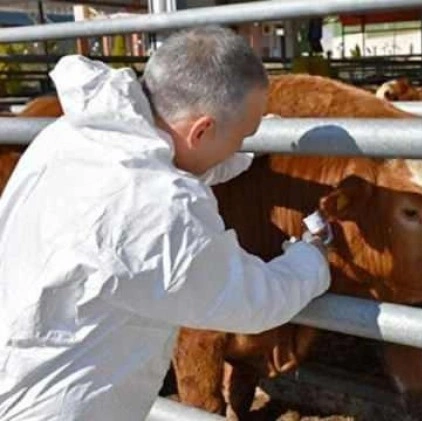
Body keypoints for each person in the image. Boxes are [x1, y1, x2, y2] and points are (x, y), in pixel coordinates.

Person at [0, 26, 331, 420]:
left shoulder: (72, 136)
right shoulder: (160, 208)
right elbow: (252, 300)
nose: (242, 145)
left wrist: (237, 156)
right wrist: (311, 257)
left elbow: (154, 173)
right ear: (203, 129)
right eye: (243, 136)